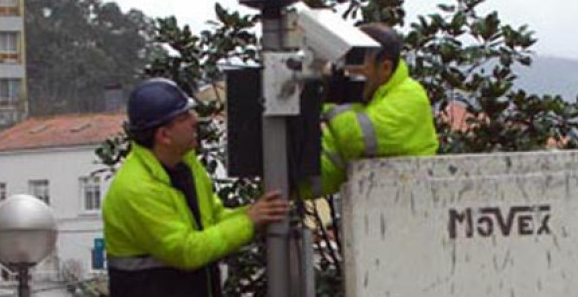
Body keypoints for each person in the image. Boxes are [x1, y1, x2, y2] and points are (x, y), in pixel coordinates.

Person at [102, 78, 290, 297]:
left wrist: (256, 213)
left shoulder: (186, 164)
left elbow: (213, 218)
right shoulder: (136, 189)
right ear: (164, 136)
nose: (195, 120)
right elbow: (186, 251)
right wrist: (249, 221)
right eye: (184, 116)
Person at [309, 23, 438, 197]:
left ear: (385, 67)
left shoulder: (410, 96)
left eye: (358, 61)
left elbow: (355, 138)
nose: (349, 71)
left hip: (414, 206)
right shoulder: (360, 105)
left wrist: (331, 101)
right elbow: (328, 171)